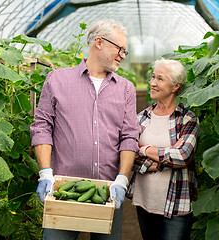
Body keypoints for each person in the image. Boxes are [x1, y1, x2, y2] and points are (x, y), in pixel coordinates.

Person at [30, 19, 140, 240]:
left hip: (107, 192)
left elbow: (129, 137)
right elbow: (42, 126)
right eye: (119, 49)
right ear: (99, 42)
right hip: (63, 191)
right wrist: (45, 173)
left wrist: (122, 179)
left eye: (125, 51)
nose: (123, 56)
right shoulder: (57, 79)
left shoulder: (126, 89)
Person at [126, 58, 199, 240]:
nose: (152, 83)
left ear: (175, 86)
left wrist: (144, 149)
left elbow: (182, 156)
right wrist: (164, 160)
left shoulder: (187, 119)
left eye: (160, 79)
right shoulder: (140, 118)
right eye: (152, 77)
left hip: (177, 205)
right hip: (144, 201)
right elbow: (128, 154)